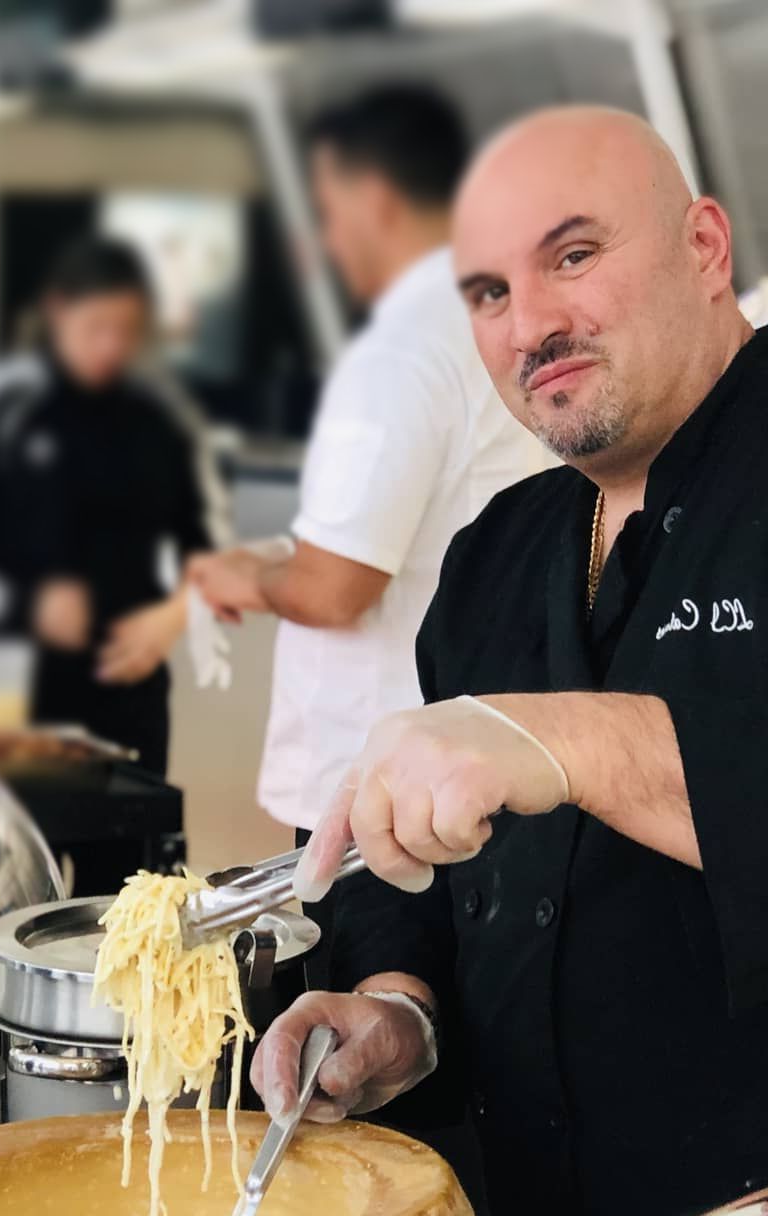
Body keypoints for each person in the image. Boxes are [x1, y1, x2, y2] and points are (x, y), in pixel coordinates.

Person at [253, 104, 768, 1216]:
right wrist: (396, 1007)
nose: (531, 325)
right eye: (490, 293)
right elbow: (430, 879)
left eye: (574, 255)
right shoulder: (498, 553)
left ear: (705, 247)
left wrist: (562, 741)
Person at [188, 87, 541, 999]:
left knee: (363, 1028)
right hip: (479, 752)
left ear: (375, 200)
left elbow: (335, 588)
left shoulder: (398, 354)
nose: (325, 239)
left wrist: (249, 577)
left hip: (374, 781)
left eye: (329, 209)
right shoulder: (501, 320)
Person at [0, 237, 228, 777]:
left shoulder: (160, 415)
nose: (111, 347)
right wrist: (23, 603)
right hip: (13, 687)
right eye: (95, 327)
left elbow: (209, 549)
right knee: (14, 828)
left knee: (134, 832)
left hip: (130, 692)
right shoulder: (5, 400)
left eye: (127, 330)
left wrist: (173, 618)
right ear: (57, 310)